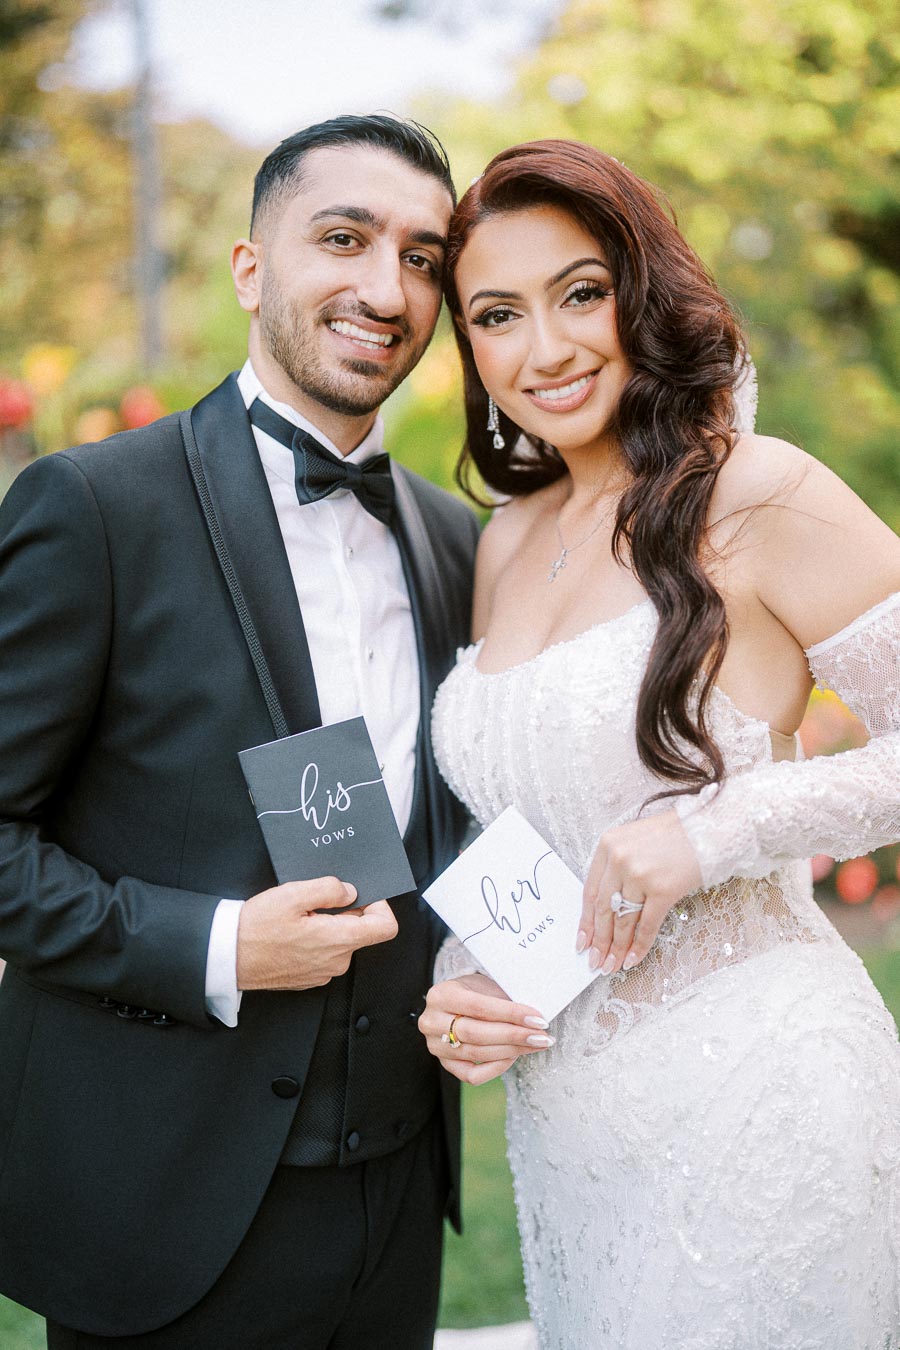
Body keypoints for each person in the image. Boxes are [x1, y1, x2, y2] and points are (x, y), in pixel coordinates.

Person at [0, 113, 479, 1350]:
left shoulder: (453, 537)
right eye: (344, 238)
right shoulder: (95, 507)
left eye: (425, 258)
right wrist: (212, 945)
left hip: (400, 1200)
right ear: (250, 268)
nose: (387, 289)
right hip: (167, 1204)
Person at [419, 138, 900, 1348]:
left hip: (763, 1091)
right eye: (498, 315)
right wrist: (470, 977)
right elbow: (536, 819)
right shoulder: (506, 542)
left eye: (581, 293)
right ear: (469, 346)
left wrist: (719, 832)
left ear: (643, 291)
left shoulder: (758, 492)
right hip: (571, 1127)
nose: (548, 347)